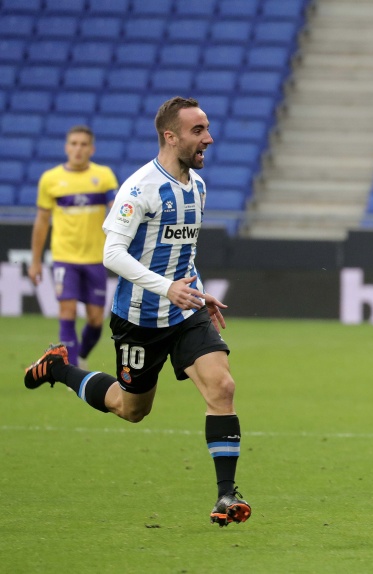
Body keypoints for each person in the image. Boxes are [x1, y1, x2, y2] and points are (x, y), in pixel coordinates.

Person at [23, 97, 251, 528]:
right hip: (139, 319)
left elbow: (183, 255)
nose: (209, 138)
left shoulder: (198, 187)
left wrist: (198, 293)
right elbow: (111, 253)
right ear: (171, 137)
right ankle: (59, 368)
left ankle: (226, 495)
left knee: (222, 386)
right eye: (198, 130)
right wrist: (167, 288)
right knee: (131, 409)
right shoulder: (139, 188)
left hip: (185, 313)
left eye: (207, 128)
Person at [28, 125, 119, 369]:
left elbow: (116, 209)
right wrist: (35, 261)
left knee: (96, 320)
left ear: (92, 149)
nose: (78, 149)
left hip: (95, 258)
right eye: (74, 144)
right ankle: (72, 369)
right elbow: (41, 222)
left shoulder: (104, 176)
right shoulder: (50, 179)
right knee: (67, 311)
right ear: (66, 147)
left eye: (83, 144)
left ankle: (82, 356)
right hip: (64, 257)